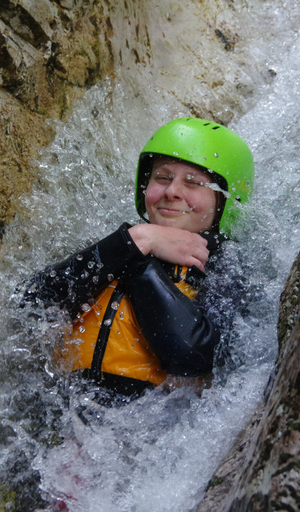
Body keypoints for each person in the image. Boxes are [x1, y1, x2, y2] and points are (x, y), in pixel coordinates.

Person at [22, 117, 255, 400]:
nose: (172, 191)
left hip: (146, 425)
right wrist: (139, 241)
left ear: (224, 203)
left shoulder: (226, 266)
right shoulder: (124, 244)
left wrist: (139, 261)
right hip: (63, 414)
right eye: (162, 178)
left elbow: (194, 357)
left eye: (193, 183)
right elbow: (29, 306)